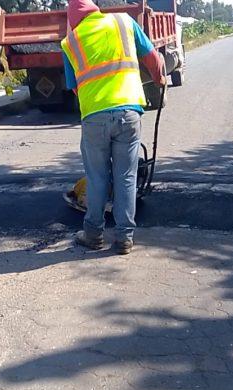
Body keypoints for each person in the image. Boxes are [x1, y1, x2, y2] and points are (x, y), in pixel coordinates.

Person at [62, 0, 166, 255]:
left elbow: (74, 86)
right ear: (95, 9)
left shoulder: (70, 42)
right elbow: (153, 58)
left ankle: (93, 235)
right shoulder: (123, 22)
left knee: (97, 178)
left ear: (72, 20)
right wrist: (159, 78)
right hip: (129, 111)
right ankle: (124, 238)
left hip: (94, 117)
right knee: (126, 176)